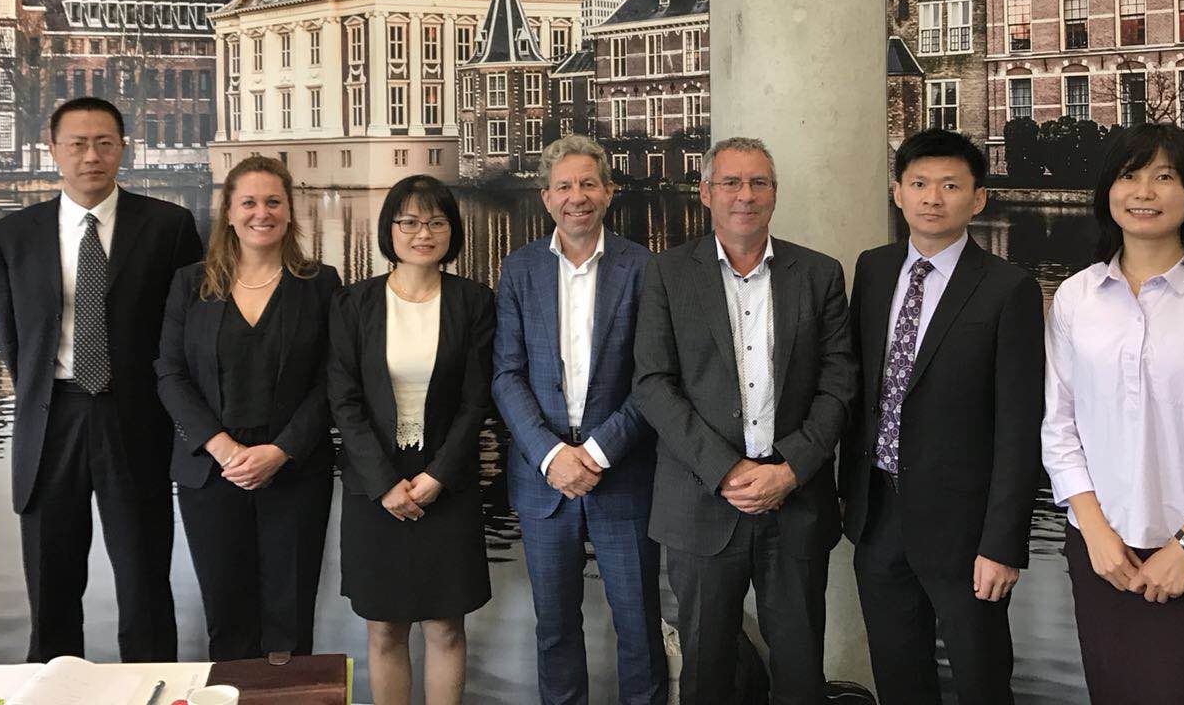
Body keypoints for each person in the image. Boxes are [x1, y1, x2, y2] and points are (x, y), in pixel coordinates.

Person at [1042, 123, 1184, 705]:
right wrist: (1095, 533)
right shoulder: (1075, 298)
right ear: (1108, 191)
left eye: (1164, 176)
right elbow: (1060, 425)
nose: (1144, 191)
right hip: (1104, 555)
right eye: (1129, 176)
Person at [633, 136, 858, 704]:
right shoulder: (666, 273)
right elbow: (653, 383)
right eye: (730, 182)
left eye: (759, 183)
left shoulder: (819, 273)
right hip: (701, 505)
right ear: (706, 192)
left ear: (774, 194)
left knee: (801, 676)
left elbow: (838, 383)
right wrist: (727, 470)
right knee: (707, 676)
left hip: (795, 505)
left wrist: (791, 469)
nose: (745, 195)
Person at [0, 96, 202, 662]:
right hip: (50, 421)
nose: (91, 156)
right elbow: (13, 341)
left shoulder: (169, 227)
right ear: (53, 150)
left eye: (104, 143)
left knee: (144, 582)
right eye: (77, 144)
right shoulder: (11, 235)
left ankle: (150, 689)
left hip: (135, 420)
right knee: (52, 587)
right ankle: (56, 689)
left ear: (122, 148)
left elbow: (185, 336)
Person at [839, 129, 1045, 704]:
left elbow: (1019, 426)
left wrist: (1003, 543)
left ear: (978, 199)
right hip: (878, 515)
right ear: (898, 193)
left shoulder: (1008, 288)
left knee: (981, 682)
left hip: (966, 530)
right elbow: (860, 391)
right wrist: (847, 491)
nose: (933, 198)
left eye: (951, 186)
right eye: (919, 183)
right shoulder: (874, 269)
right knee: (899, 678)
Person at [493, 135, 667, 705]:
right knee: (554, 629)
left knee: (639, 628)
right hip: (543, 479)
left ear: (609, 192)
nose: (577, 197)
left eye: (588, 183)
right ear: (546, 198)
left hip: (622, 474)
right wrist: (552, 456)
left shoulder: (644, 268)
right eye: (564, 186)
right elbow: (506, 375)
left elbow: (653, 379)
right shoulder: (519, 269)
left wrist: (593, 454)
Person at [155, 155, 341, 661]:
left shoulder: (320, 283)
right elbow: (169, 373)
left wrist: (280, 451)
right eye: (250, 202)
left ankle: (289, 696)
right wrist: (223, 448)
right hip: (211, 473)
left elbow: (333, 380)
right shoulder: (191, 283)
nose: (263, 213)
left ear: (290, 210)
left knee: (290, 625)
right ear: (230, 213)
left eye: (274, 201)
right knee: (228, 621)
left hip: (295, 472)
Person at [327, 175, 494, 705]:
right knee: (384, 629)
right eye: (410, 222)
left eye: (436, 222)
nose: (424, 233)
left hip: (447, 482)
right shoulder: (354, 303)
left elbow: (476, 401)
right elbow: (344, 400)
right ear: (390, 230)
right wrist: (384, 484)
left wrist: (438, 475)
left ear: (452, 231)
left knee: (446, 627)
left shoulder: (474, 302)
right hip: (373, 486)